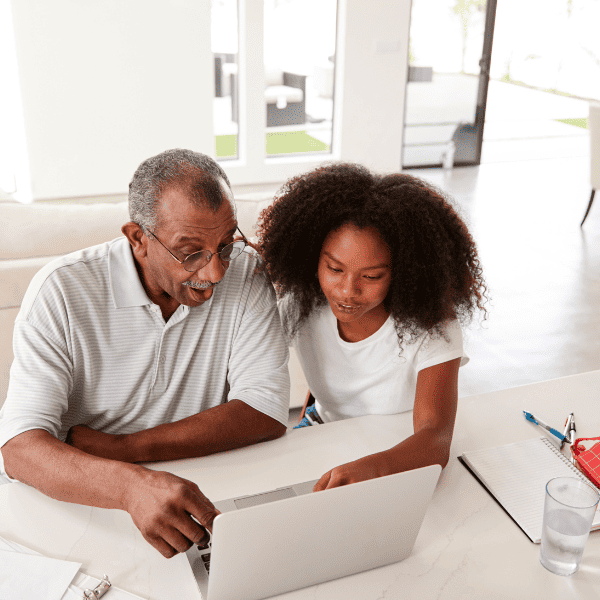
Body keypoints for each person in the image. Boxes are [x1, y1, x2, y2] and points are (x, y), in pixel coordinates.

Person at [0, 149, 290, 558]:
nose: (215, 273)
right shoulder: (61, 291)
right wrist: (129, 484)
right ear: (138, 239)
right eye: (191, 252)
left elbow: (265, 409)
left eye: (225, 244)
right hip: (80, 500)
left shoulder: (245, 272)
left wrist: (128, 449)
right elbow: (19, 449)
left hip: (197, 488)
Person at [256, 163, 487, 491]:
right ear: (313, 258)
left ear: (404, 272)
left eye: (372, 276)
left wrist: (371, 469)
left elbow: (435, 440)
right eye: (334, 268)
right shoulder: (299, 304)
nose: (348, 291)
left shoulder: (432, 325)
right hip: (322, 437)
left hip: (400, 452)